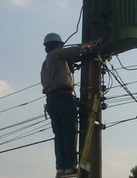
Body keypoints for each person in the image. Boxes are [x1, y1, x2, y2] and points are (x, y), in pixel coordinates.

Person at [40, 33, 93, 177]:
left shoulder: (46, 63)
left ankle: (61, 167)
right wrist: (89, 45)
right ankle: (70, 165)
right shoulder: (56, 54)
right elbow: (75, 51)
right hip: (63, 97)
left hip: (51, 100)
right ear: (58, 45)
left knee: (60, 134)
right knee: (69, 132)